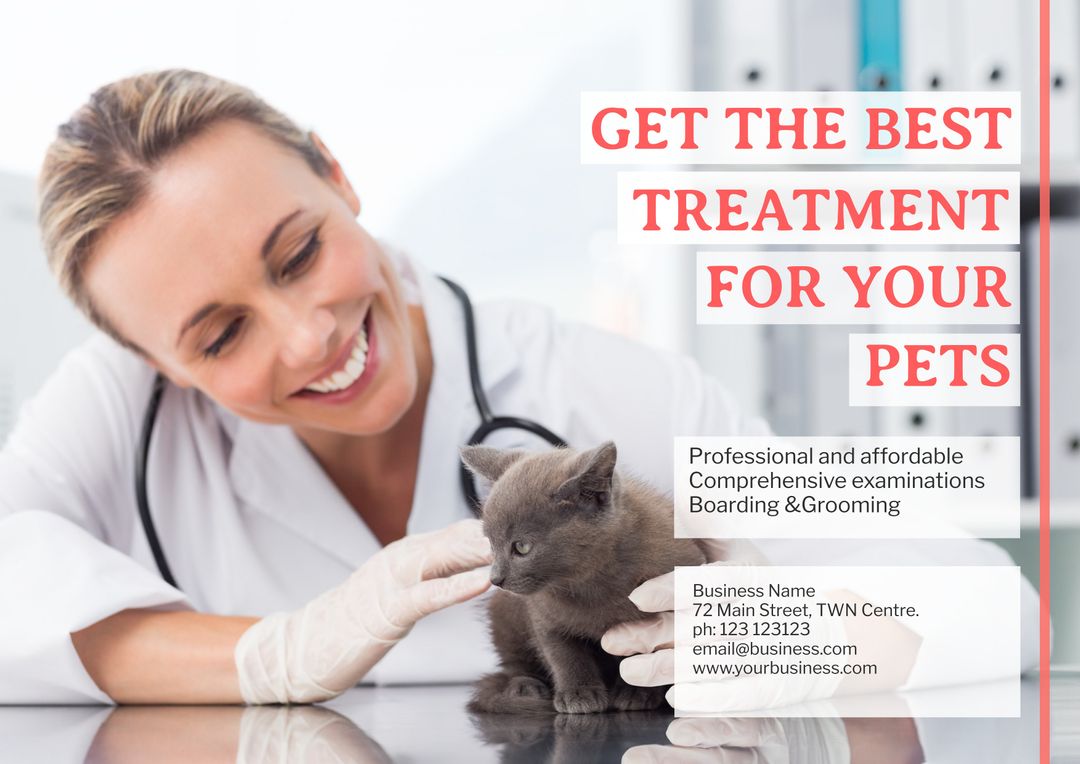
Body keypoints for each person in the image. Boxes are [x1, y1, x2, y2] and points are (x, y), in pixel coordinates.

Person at [1, 69, 1037, 707]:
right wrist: (271, 654)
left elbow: (995, 598)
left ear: (338, 174)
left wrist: (800, 629)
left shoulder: (594, 389)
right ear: (156, 361)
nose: (309, 334)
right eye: (220, 334)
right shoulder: (115, 412)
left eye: (301, 250)